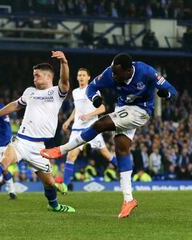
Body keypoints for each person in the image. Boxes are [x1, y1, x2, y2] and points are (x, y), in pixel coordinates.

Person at [41, 53, 177, 218]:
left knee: (100, 124)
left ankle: (62, 150)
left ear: (128, 71)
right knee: (121, 148)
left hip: (141, 110)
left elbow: (172, 90)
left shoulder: (146, 71)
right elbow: (91, 87)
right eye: (112, 71)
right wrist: (96, 98)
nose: (113, 75)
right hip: (122, 108)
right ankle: (128, 199)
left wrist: (166, 94)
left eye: (117, 73)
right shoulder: (110, 73)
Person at [0, 51, 75, 213]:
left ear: (48, 77)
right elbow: (15, 105)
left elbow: (65, 81)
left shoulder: (56, 93)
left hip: (40, 148)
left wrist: (64, 62)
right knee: (3, 162)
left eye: (38, 75)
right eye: (34, 75)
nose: (34, 78)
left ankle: (54, 206)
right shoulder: (29, 92)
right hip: (21, 141)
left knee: (48, 182)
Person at [58, 68, 117, 194]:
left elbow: (102, 108)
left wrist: (89, 115)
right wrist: (68, 120)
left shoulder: (93, 90)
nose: (81, 77)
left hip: (92, 127)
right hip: (77, 128)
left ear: (89, 77)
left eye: (83, 75)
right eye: (79, 75)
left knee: (105, 154)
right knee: (71, 155)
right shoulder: (74, 92)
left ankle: (124, 170)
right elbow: (77, 109)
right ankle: (64, 185)